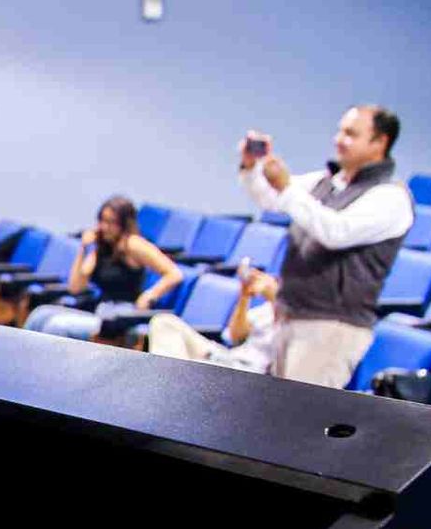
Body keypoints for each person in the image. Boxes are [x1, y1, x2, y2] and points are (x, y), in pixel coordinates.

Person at [240, 106, 412, 388]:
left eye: (351, 134)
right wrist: (251, 168)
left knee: (299, 422)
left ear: (380, 142)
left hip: (330, 327)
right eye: (340, 131)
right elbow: (270, 199)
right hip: (289, 317)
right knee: (275, 420)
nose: (339, 140)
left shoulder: (390, 196)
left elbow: (335, 232)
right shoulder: (326, 182)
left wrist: (287, 189)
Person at [22, 195, 181, 340]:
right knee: (40, 315)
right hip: (100, 312)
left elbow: (174, 273)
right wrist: (84, 249)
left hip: (120, 316)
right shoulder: (102, 247)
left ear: (124, 224)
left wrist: (150, 294)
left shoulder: (133, 245)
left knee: (56, 326)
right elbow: (76, 287)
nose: (104, 227)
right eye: (102, 221)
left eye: (111, 222)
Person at [147, 260, 280, 372]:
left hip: (248, 372)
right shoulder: (265, 309)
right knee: (164, 322)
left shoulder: (297, 319)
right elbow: (235, 337)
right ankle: (171, 379)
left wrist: (276, 300)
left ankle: (168, 383)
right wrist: (244, 296)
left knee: (175, 364)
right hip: (228, 357)